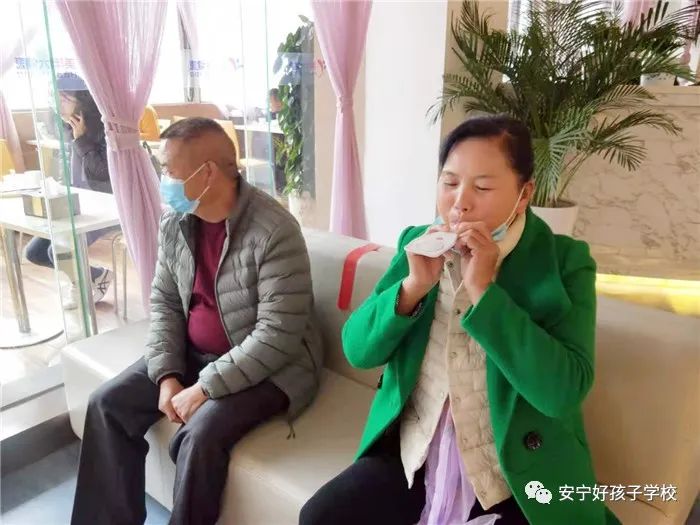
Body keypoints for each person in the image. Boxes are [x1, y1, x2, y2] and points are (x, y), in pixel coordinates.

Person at [300, 116, 621, 525]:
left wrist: (485, 293)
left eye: (482, 187)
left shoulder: (564, 262)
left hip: (514, 476)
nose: (460, 202)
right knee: (320, 517)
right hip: (415, 454)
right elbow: (358, 351)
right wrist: (413, 286)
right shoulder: (419, 243)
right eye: (450, 182)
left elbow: (562, 392)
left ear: (524, 194)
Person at [71, 117, 323, 525]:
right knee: (107, 405)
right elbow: (165, 301)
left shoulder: (275, 230)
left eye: (169, 170)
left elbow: (278, 336)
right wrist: (168, 374)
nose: (163, 180)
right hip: (194, 353)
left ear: (207, 173)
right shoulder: (176, 220)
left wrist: (203, 388)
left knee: (200, 435)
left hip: (273, 367)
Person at [24, 72, 113, 309]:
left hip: (104, 206)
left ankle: (82, 281)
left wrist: (81, 140)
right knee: (34, 252)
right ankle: (96, 275)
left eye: (64, 98)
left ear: (81, 99)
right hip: (78, 202)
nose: (57, 102)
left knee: (58, 251)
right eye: (55, 97)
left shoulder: (101, 128)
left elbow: (101, 175)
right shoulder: (66, 126)